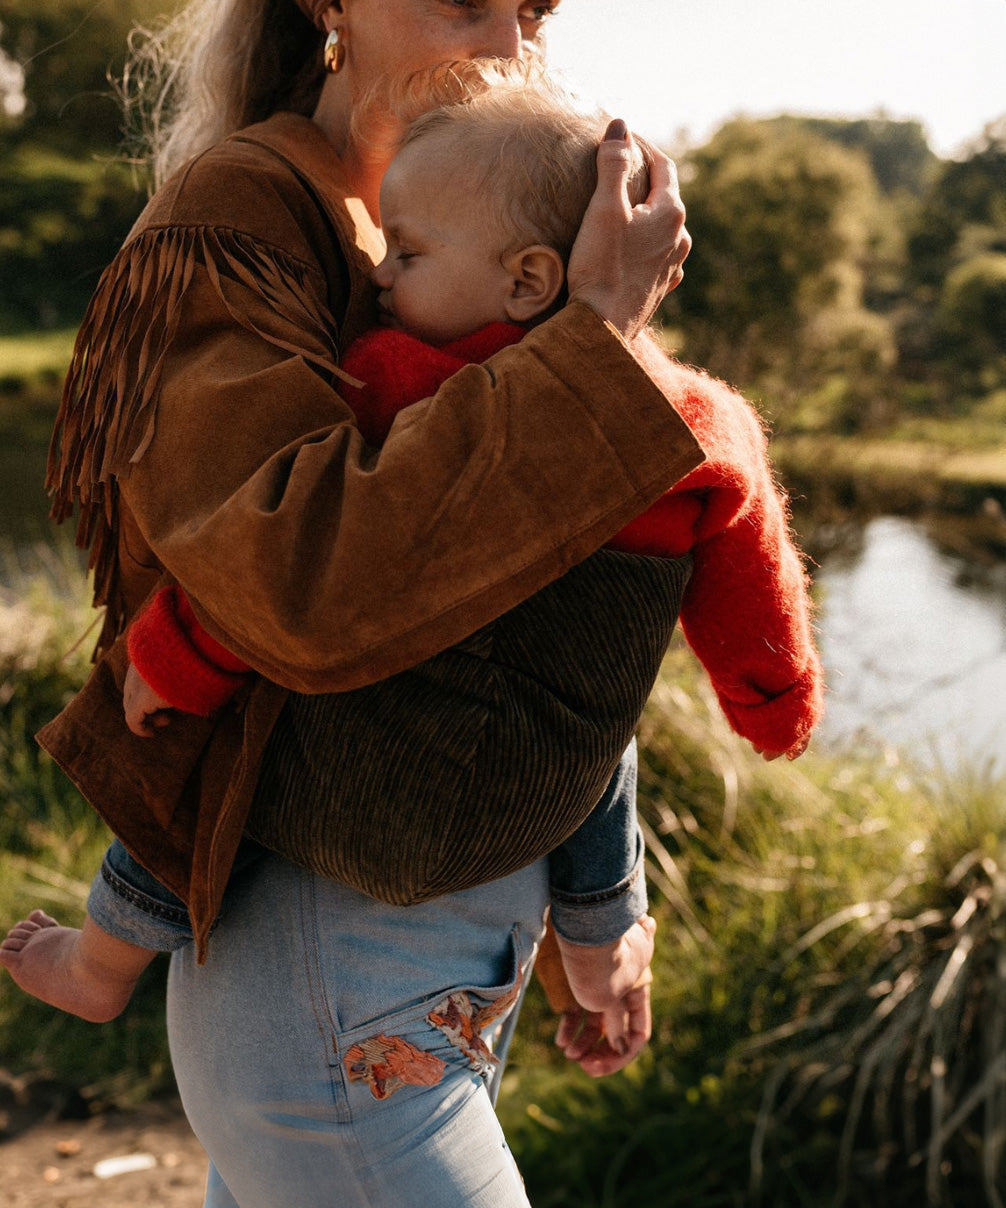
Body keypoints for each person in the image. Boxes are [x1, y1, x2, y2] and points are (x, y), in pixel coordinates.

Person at [4, 1, 710, 1203]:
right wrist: (590, 339)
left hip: (441, 961)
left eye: (529, 8)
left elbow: (557, 596)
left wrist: (599, 915)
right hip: (321, 975)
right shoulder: (245, 213)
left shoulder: (494, 212)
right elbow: (292, 575)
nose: (504, 43)